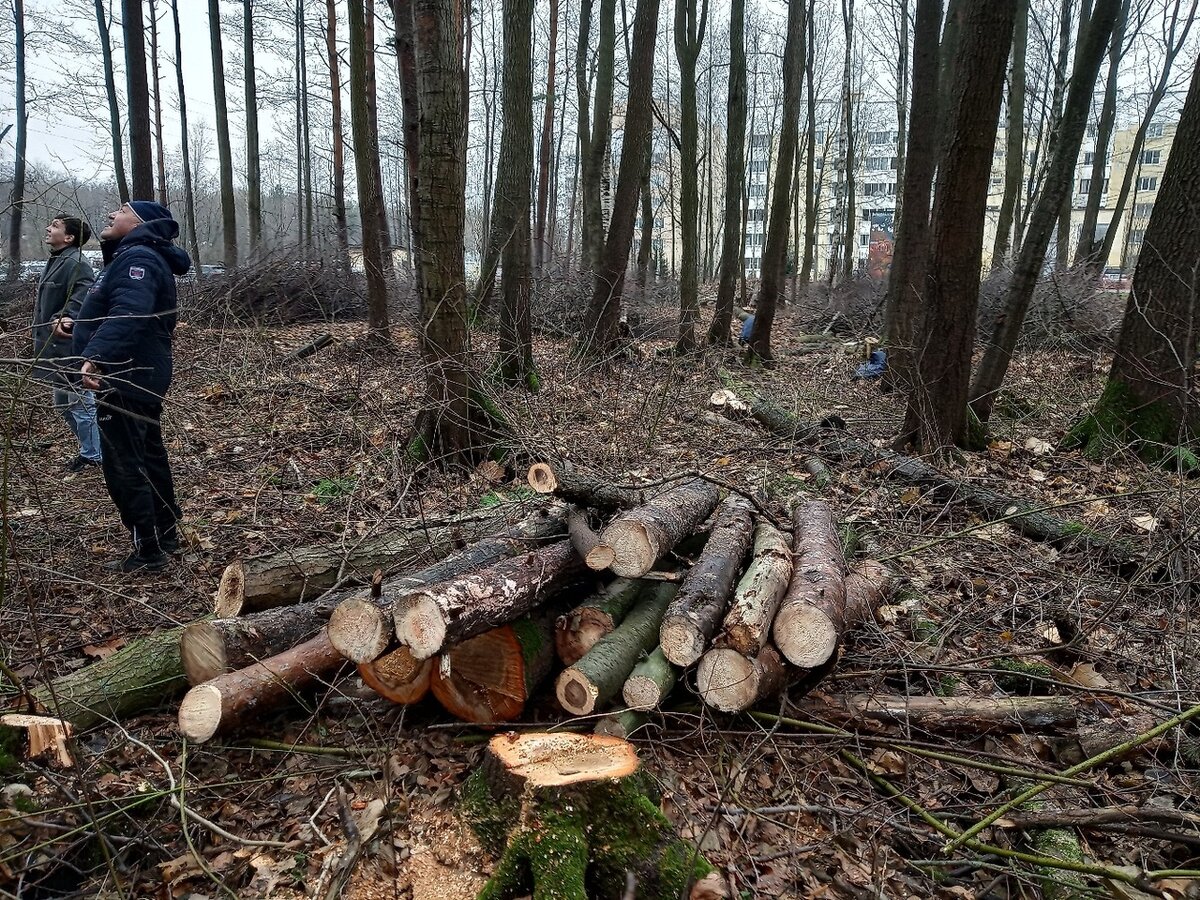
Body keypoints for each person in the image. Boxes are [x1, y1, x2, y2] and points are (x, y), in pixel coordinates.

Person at [72, 201, 192, 572]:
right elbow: (118, 307)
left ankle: (149, 552)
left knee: (124, 464)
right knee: (149, 455)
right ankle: (166, 535)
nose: (110, 214)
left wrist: (97, 355)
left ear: (139, 222)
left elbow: (131, 311)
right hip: (137, 371)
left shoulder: (137, 258)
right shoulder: (134, 256)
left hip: (127, 374)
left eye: (120, 210)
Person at [33, 214, 101, 472]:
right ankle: (92, 449)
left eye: (55, 226)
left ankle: (94, 455)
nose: (48, 228)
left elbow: (82, 297)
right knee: (63, 404)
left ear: (70, 237)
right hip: (51, 347)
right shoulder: (57, 260)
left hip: (68, 348)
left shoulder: (76, 262)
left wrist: (65, 316)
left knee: (80, 404)